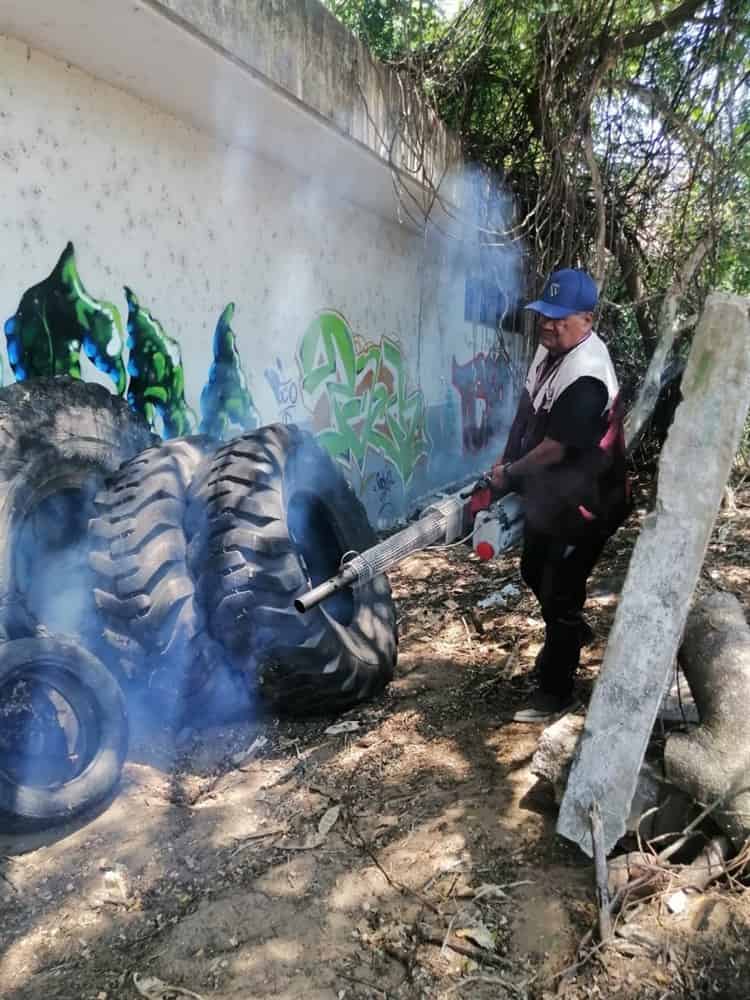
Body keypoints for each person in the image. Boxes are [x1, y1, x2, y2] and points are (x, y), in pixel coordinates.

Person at [490, 268, 629, 722]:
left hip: (588, 502)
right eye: (544, 316)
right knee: (534, 568)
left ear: (586, 320)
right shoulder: (550, 348)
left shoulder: (587, 376)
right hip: (553, 498)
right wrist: (504, 462)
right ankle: (569, 631)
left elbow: (554, 449)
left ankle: (556, 689)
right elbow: (527, 411)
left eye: (560, 318)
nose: (548, 325)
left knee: (560, 588)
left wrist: (509, 475)